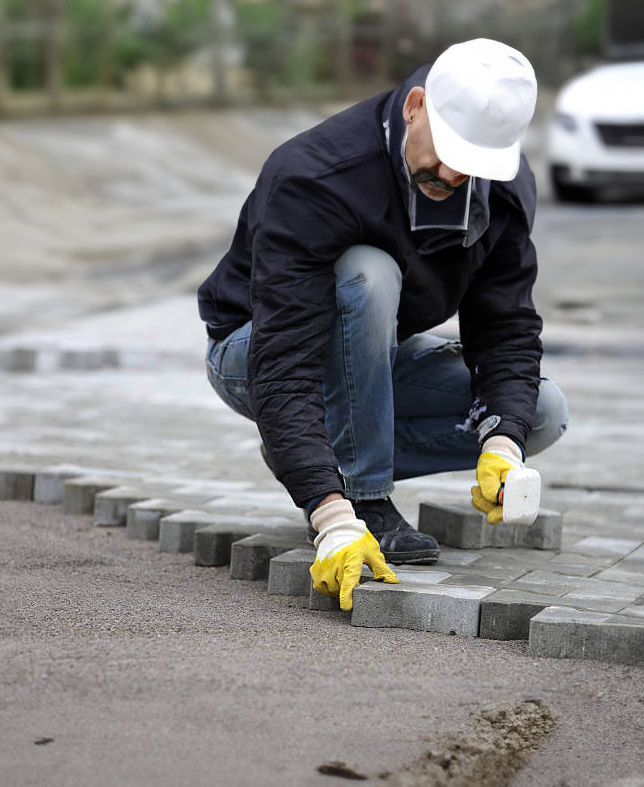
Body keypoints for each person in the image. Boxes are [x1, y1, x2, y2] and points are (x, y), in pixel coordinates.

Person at [198, 39, 569, 611]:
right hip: (256, 351)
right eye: (446, 151)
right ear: (415, 106)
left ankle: (315, 449)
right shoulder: (318, 176)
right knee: (367, 275)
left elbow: (506, 326)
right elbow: (284, 361)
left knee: (539, 414)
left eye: (471, 164)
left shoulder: (501, 191)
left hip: (364, 359)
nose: (450, 173)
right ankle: (363, 496)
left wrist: (502, 442)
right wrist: (329, 513)